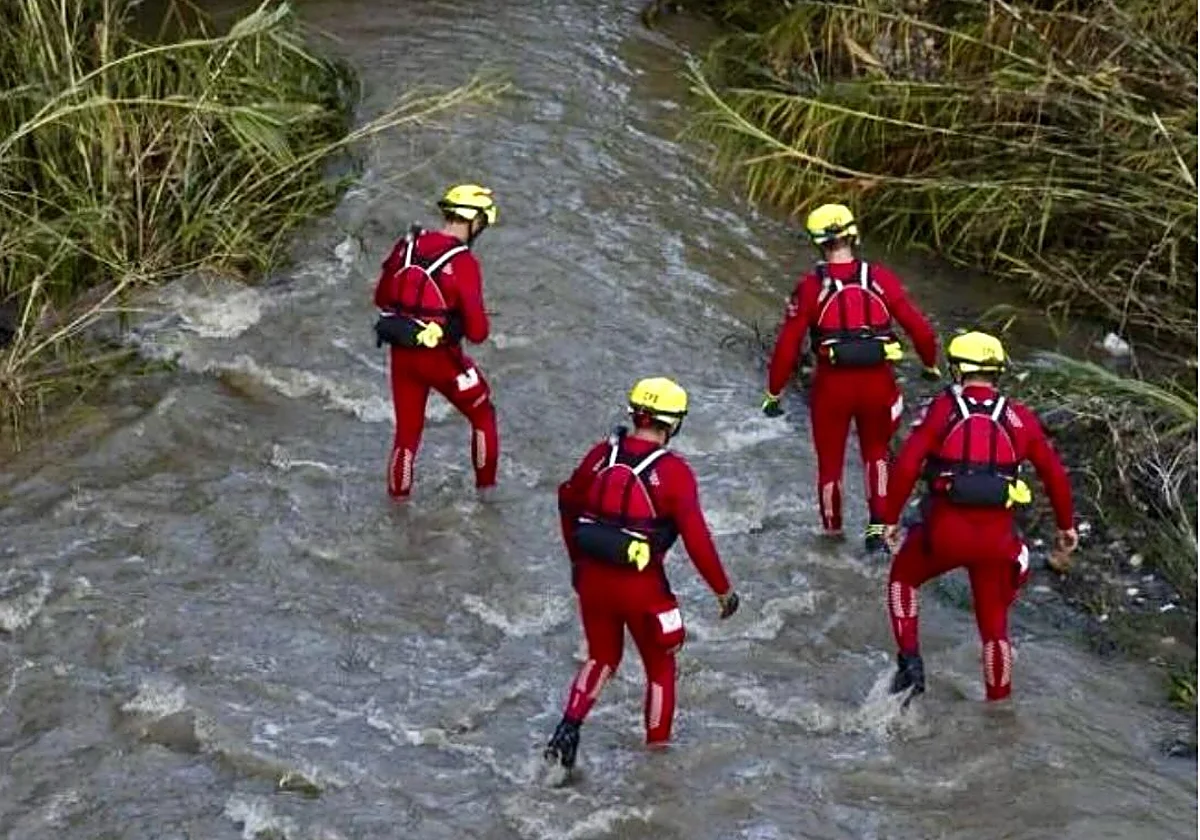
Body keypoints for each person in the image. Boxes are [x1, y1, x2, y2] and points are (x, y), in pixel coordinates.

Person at [544, 377, 740, 775]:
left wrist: (576, 562)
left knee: (601, 657)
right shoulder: (675, 472)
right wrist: (723, 591)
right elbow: (697, 540)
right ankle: (657, 769)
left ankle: (569, 725)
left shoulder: (600, 454)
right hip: (643, 588)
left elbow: (567, 501)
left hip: (592, 577)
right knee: (661, 667)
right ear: (674, 423)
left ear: (635, 414)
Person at [880, 331, 1079, 702]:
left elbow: (907, 465)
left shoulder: (942, 410)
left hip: (944, 534)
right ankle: (999, 712)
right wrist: (1066, 526)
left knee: (902, 579)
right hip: (995, 541)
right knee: (994, 629)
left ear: (957, 370)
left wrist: (889, 519)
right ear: (997, 371)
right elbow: (1054, 475)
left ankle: (910, 662)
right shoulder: (1020, 418)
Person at [761, 203, 943, 554]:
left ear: (817, 243)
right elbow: (920, 329)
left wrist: (773, 392)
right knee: (877, 454)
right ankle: (878, 526)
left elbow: (787, 346)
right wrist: (929, 365)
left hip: (832, 388)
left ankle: (832, 535)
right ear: (853, 235)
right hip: (878, 385)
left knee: (830, 465)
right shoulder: (881, 279)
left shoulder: (810, 288)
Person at [372, 184, 500, 501]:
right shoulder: (465, 262)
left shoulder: (408, 244)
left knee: (406, 435)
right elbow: (478, 333)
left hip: (401, 354)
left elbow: (382, 298)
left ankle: (398, 507)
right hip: (441, 358)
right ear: (475, 222)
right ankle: (487, 497)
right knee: (483, 415)